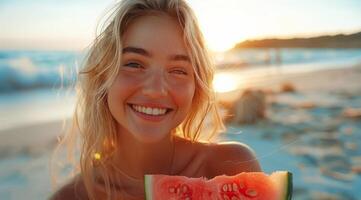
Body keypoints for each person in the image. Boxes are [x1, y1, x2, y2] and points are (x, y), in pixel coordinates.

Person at [50, 0, 261, 199]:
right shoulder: (71, 197)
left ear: (195, 86)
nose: (156, 90)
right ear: (103, 75)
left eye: (178, 70)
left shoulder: (232, 166)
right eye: (134, 64)